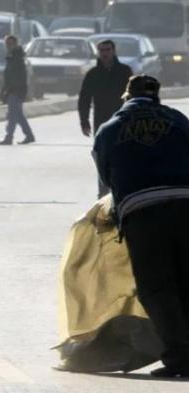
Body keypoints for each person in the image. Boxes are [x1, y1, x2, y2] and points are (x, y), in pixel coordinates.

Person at [93, 75, 189, 378]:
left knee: (158, 287)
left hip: (143, 212)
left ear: (126, 98)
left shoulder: (110, 129)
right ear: (157, 98)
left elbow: (106, 177)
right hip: (187, 205)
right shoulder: (179, 121)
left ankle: (181, 357)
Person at [79, 39, 132, 198]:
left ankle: (122, 192)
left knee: (122, 157)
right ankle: (103, 195)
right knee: (102, 157)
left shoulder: (124, 71)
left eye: (108, 50)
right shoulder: (93, 74)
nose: (105, 53)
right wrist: (84, 120)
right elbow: (84, 98)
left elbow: (133, 95)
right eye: (101, 50)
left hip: (122, 122)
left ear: (113, 51)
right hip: (101, 123)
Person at [0, 35, 35, 145]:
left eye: (11, 44)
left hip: (16, 90)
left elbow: (20, 77)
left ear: (16, 44)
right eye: (7, 44)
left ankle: (9, 137)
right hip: (12, 89)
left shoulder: (17, 58)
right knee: (18, 115)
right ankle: (29, 135)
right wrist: (3, 89)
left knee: (13, 114)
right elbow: (7, 76)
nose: (9, 46)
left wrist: (15, 90)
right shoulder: (11, 57)